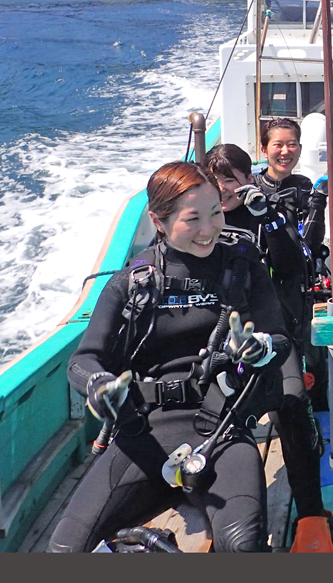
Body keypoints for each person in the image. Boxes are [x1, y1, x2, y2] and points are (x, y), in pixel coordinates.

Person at [49, 162, 290, 552]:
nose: (209, 229)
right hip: (145, 435)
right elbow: (84, 359)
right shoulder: (133, 282)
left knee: (243, 545)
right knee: (64, 550)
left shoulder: (243, 266)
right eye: (192, 218)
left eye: (216, 212)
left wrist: (259, 349)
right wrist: (100, 385)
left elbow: (279, 339)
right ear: (158, 220)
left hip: (221, 429)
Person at [202, 143, 329, 546]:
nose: (222, 189)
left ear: (246, 179)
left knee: (292, 406)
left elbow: (297, 263)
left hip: (272, 334)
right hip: (219, 339)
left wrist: (267, 217)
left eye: (230, 180)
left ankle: (311, 515)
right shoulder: (199, 224)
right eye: (214, 180)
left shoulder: (265, 213)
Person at [252, 118, 331, 414]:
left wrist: (317, 206)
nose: (286, 151)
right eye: (278, 145)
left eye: (292, 144)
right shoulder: (252, 187)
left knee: (310, 355)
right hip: (261, 285)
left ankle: (317, 413)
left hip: (297, 286)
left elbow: (308, 244)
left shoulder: (303, 187)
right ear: (264, 149)